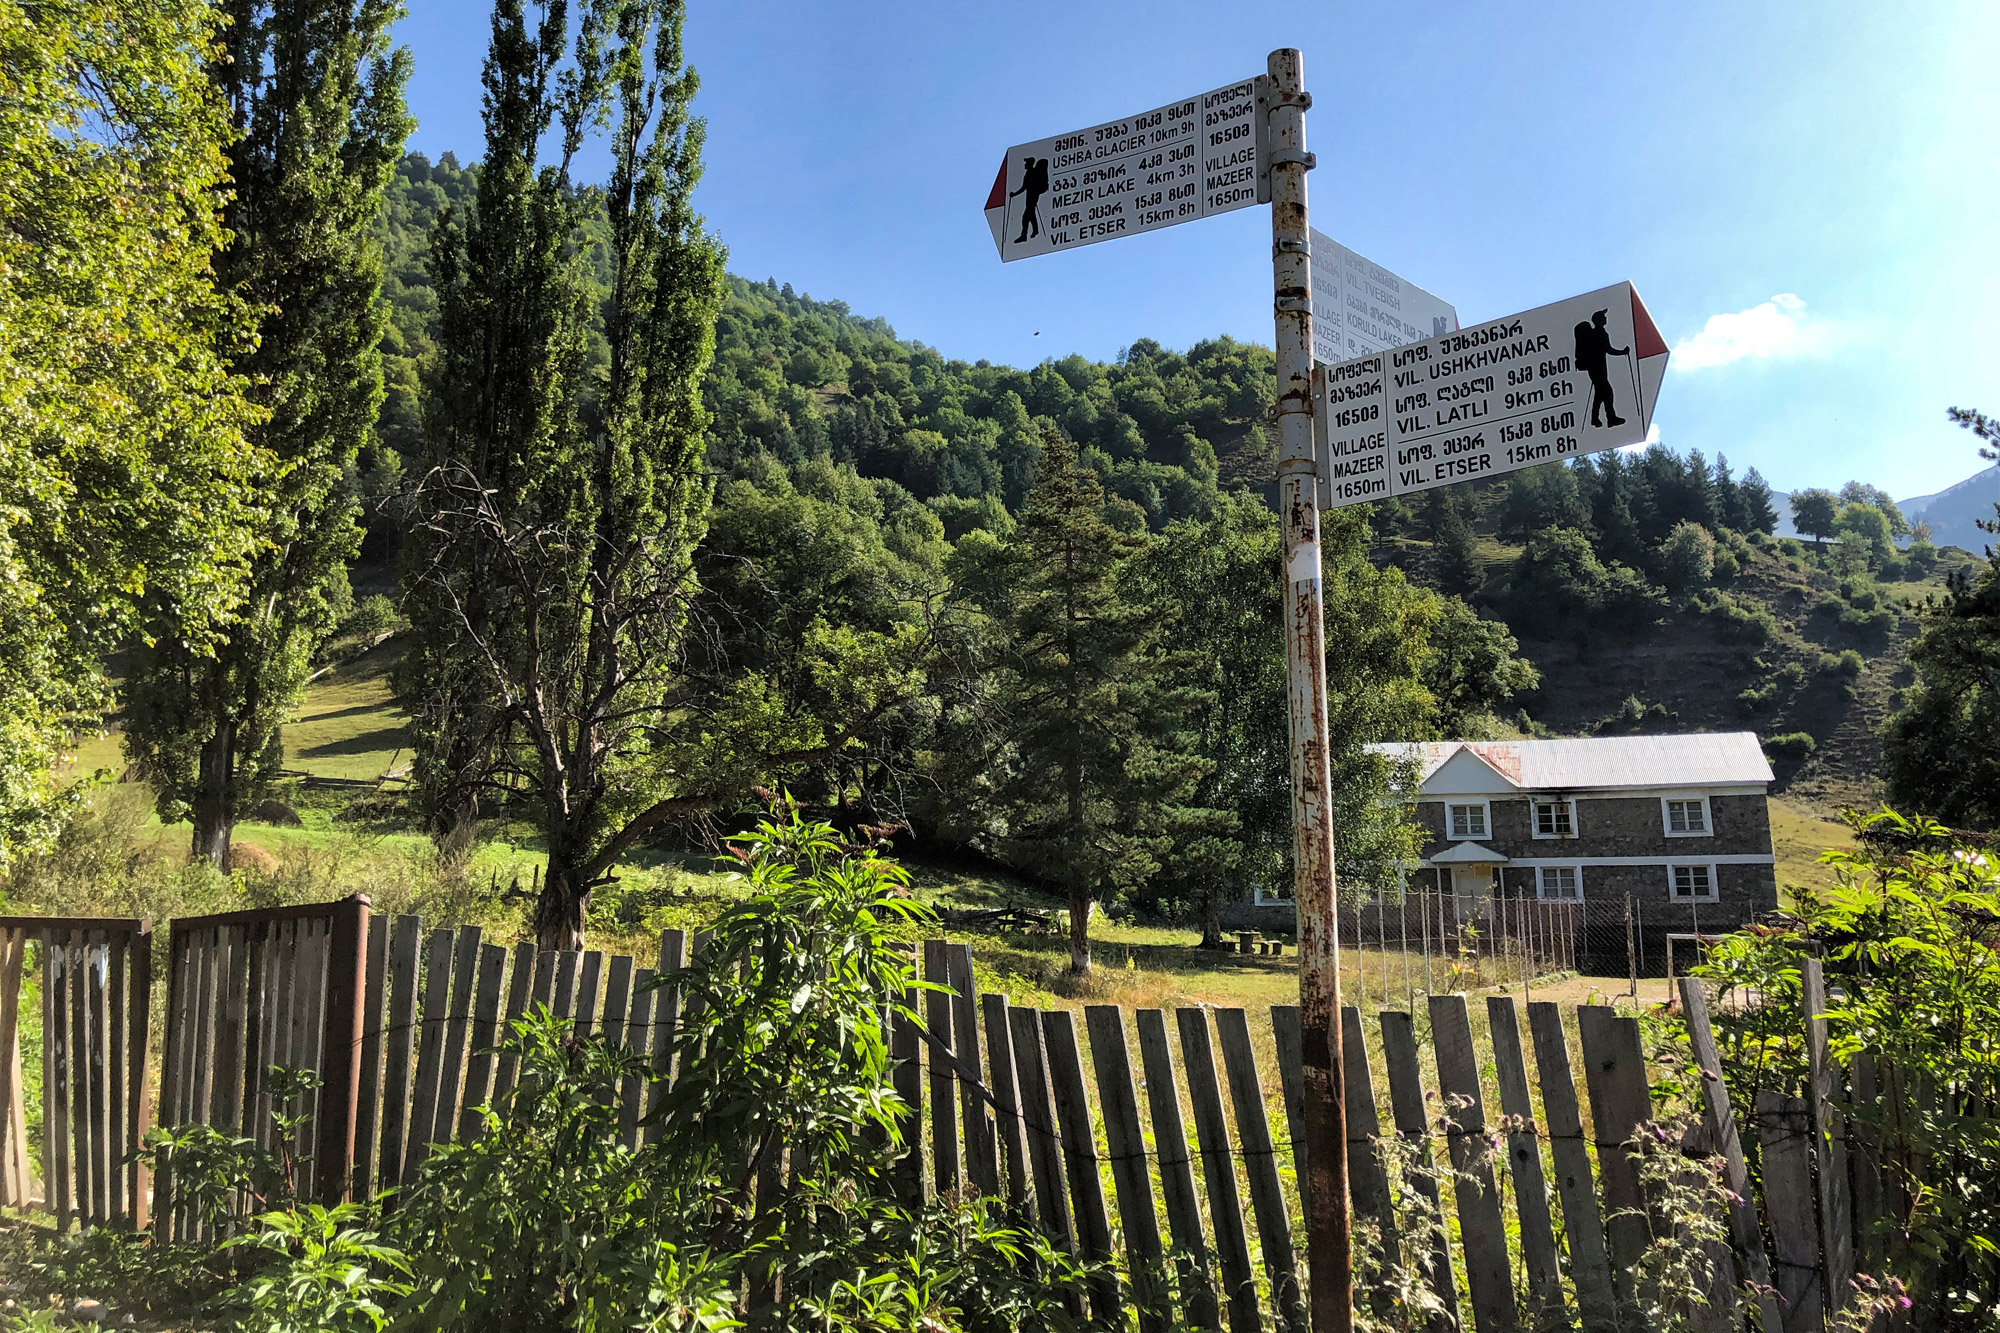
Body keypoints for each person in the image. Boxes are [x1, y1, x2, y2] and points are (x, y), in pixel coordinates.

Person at [1573, 309, 1629, 427]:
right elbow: (1609, 350)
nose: (1605, 318)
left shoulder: (1598, 333)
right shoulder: (1600, 334)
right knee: (1607, 392)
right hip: (1597, 369)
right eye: (1603, 316)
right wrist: (1623, 352)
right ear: (1598, 320)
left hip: (1597, 369)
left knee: (1599, 394)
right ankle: (1611, 418)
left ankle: (1595, 419)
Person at [1010, 155, 1049, 243]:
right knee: (1031, 214)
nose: (1025, 164)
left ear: (1029, 163)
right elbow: (1024, 187)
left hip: (1032, 196)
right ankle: (1035, 230)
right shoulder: (1030, 172)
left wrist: (1014, 194)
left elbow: (1023, 188)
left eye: (1026, 163)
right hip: (1031, 197)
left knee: (1026, 217)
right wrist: (1014, 194)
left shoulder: (1031, 172)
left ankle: (1024, 235)